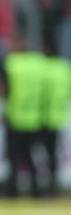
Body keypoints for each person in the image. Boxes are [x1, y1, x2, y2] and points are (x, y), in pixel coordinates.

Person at [1, 37, 45, 197]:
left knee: (14, 156)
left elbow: (2, 87)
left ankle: (12, 190)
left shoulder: (12, 64)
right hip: (34, 117)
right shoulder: (38, 64)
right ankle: (37, 190)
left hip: (15, 116)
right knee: (30, 154)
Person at [39, 41, 70, 196]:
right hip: (57, 116)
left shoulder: (42, 68)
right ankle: (53, 185)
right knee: (53, 154)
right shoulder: (65, 68)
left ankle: (40, 186)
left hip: (39, 116)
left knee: (38, 153)